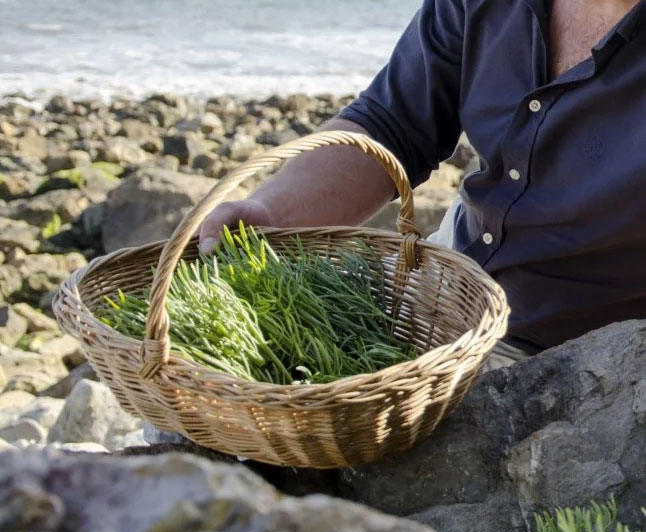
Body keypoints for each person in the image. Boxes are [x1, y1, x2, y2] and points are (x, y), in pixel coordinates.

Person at [198, 0, 646, 370]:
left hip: (581, 357)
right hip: (442, 284)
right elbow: (390, 124)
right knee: (206, 377)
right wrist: (272, 212)